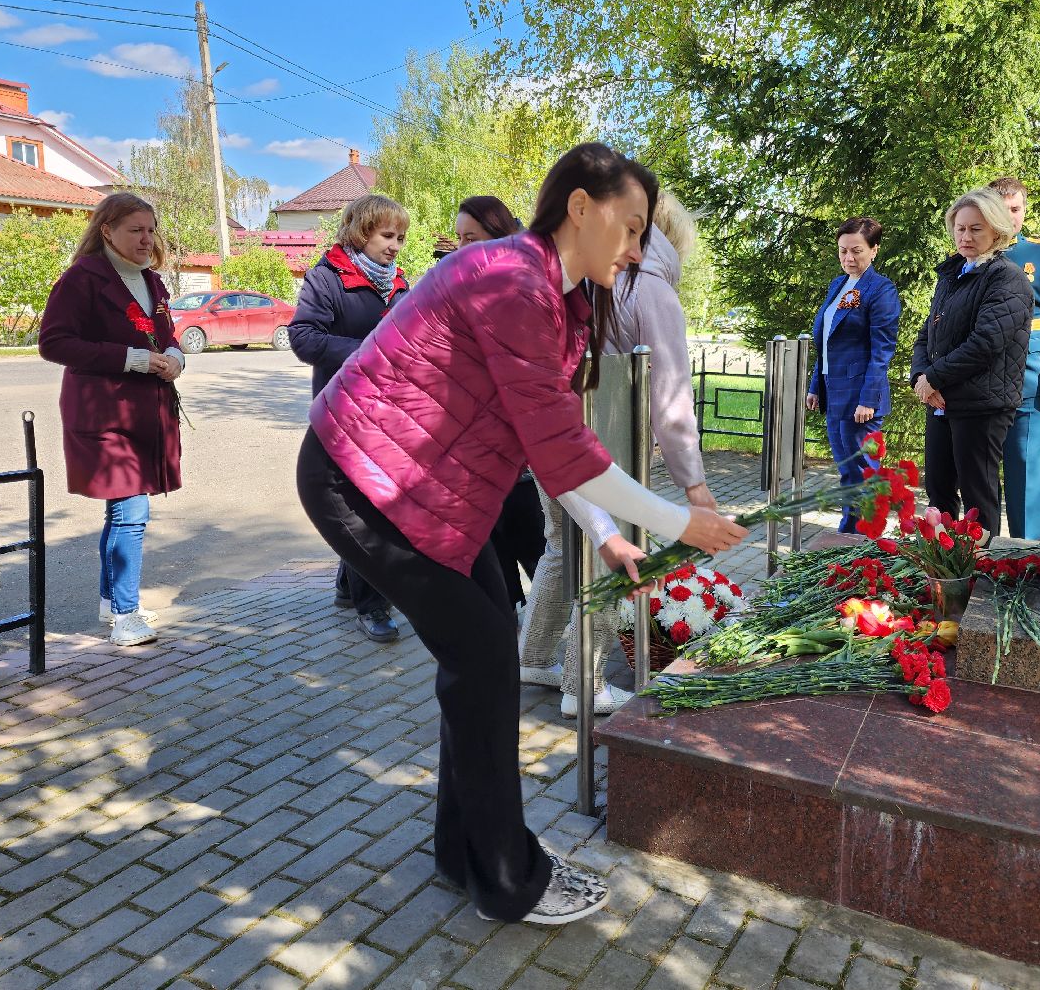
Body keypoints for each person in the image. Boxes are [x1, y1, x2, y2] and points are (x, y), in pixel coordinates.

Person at [296, 142, 748, 926]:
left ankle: (461, 852)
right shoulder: (511, 279)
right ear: (580, 206)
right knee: (483, 662)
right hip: (364, 482)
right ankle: (507, 876)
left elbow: (550, 436)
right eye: (631, 226)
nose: (638, 248)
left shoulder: (562, 301)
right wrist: (686, 522)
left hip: (429, 494)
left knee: (484, 661)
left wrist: (604, 535)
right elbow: (566, 447)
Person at [519, 191, 718, 717]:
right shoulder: (651, 287)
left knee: (560, 545)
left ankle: (533, 657)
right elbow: (670, 395)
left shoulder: (580, 269)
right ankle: (583, 684)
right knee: (615, 553)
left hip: (551, 431)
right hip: (605, 440)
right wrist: (694, 482)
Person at [39, 193, 185, 647]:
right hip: (103, 411)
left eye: (150, 230)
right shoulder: (82, 278)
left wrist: (175, 356)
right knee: (131, 510)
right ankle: (125, 616)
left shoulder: (151, 279)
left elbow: (167, 334)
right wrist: (132, 359)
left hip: (148, 410)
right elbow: (54, 343)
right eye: (135, 230)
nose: (147, 239)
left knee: (122, 510)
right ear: (107, 230)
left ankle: (111, 601)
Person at [289, 194, 410, 642]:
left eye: (400, 237)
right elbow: (303, 337)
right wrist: (367, 353)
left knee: (376, 501)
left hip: (389, 413)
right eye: (387, 235)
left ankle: (348, 584)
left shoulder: (399, 282)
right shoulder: (327, 277)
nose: (395, 245)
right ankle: (371, 605)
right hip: (344, 413)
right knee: (366, 508)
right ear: (361, 232)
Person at [910, 188, 1033, 537]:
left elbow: (986, 342)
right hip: (941, 400)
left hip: (982, 404)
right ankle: (943, 563)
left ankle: (982, 565)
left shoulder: (1007, 278)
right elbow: (928, 334)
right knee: (938, 490)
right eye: (960, 228)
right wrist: (921, 377)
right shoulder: (953, 274)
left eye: (975, 229)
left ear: (996, 229)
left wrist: (934, 377)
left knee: (978, 496)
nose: (965, 236)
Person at [453, 195, 547, 609]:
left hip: (519, 459)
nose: (461, 247)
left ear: (498, 236)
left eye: (470, 238)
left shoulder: (523, 287)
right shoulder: (456, 288)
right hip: (472, 456)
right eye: (458, 238)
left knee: (541, 558)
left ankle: (549, 633)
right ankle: (508, 626)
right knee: (493, 570)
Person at [807, 217, 902, 530]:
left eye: (856, 251)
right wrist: (815, 385)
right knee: (848, 471)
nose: (848, 258)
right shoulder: (839, 285)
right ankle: (851, 535)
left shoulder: (881, 289)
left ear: (874, 250)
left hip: (861, 398)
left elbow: (882, 350)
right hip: (834, 392)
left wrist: (869, 399)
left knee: (863, 471)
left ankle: (862, 537)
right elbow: (827, 340)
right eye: (843, 250)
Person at [989, 177, 1040, 540]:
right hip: (979, 376)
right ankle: (981, 552)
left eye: (1016, 209)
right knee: (979, 470)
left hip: (1030, 374)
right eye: (1002, 209)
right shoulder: (970, 255)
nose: (1010, 217)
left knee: (1025, 464)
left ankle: (1026, 553)